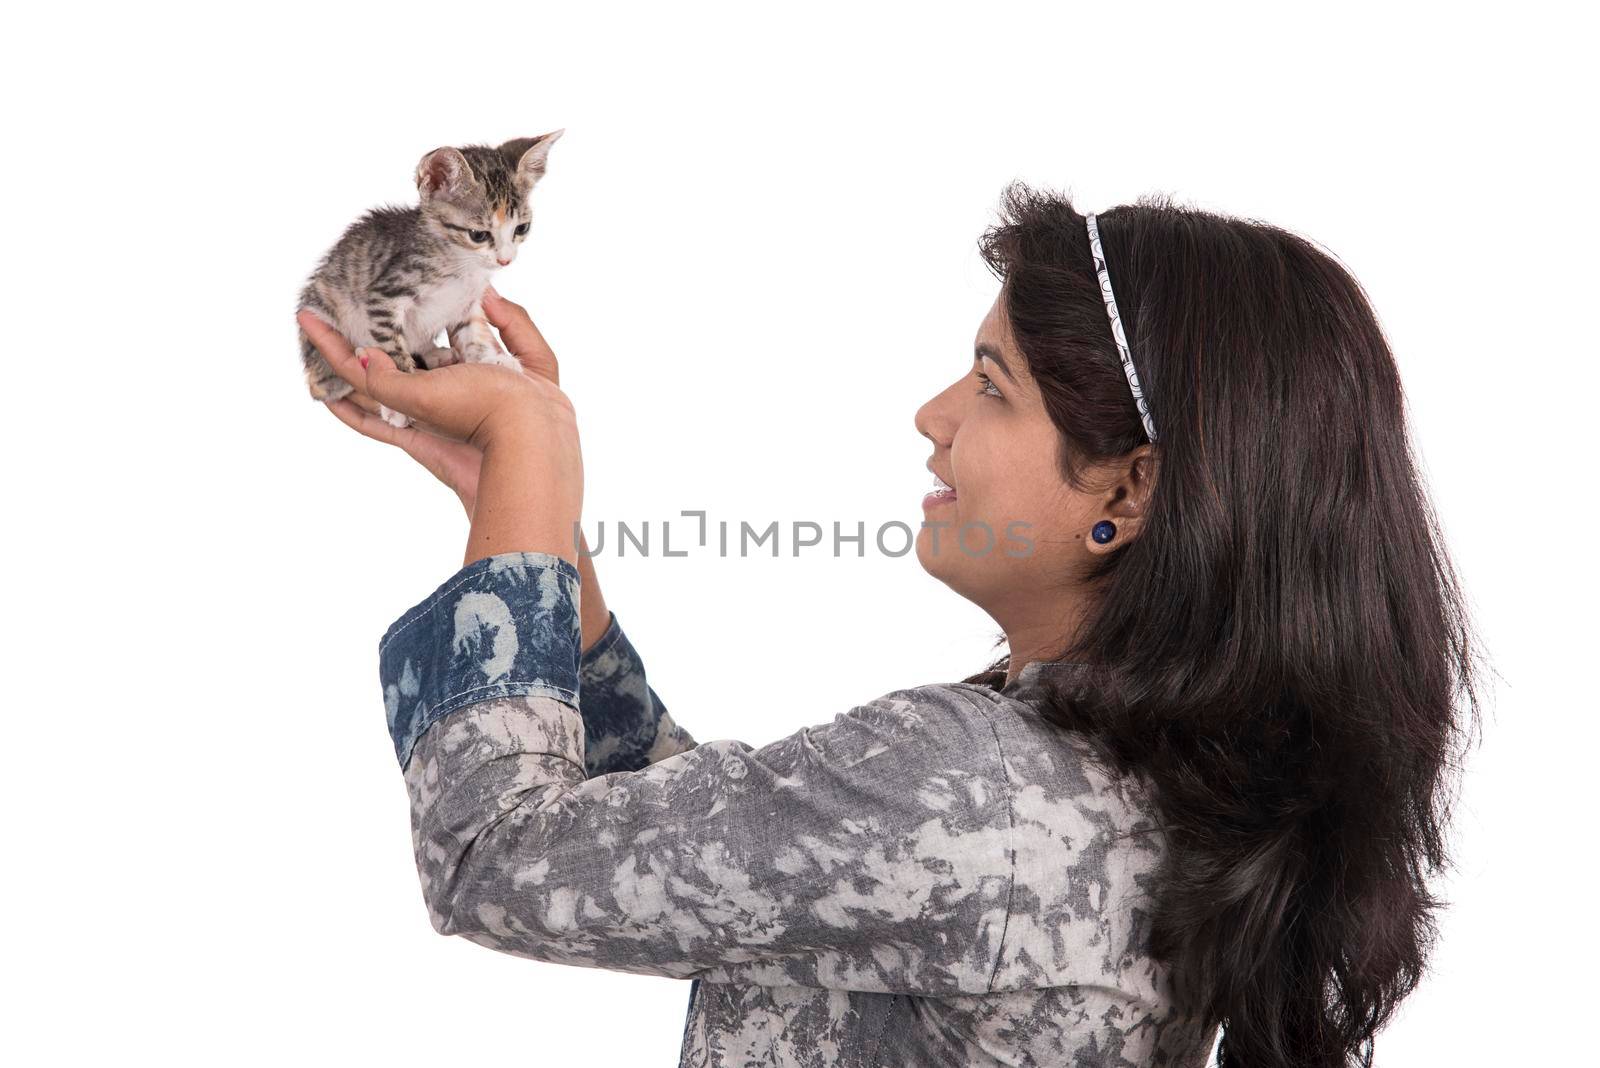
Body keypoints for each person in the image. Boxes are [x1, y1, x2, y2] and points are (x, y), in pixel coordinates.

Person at [301, 182, 1479, 1068]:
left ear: (1125, 490)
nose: (933, 417)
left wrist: (531, 451)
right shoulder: (1119, 780)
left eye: (991, 382)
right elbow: (711, 855)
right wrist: (529, 514)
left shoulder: (971, 786)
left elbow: (497, 859)